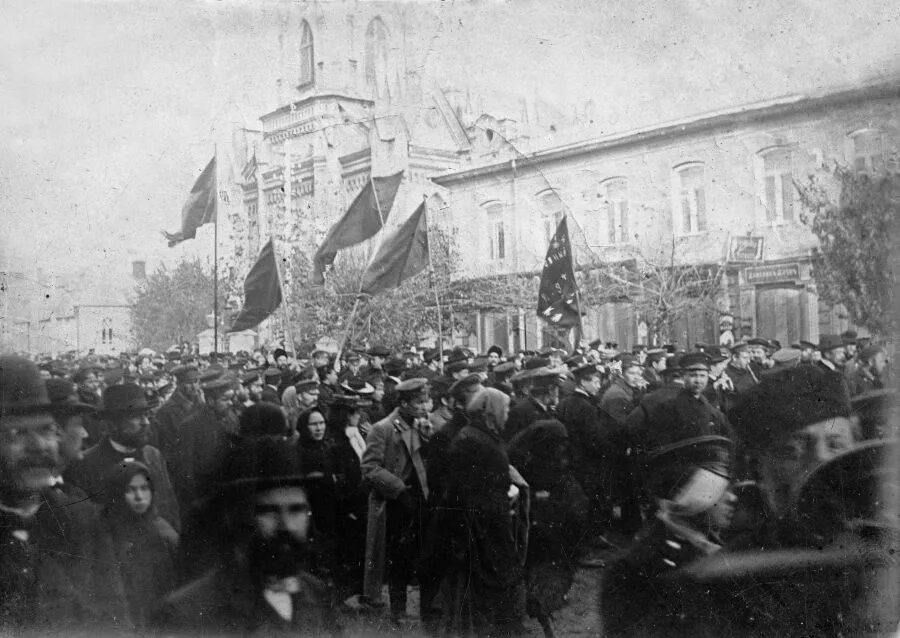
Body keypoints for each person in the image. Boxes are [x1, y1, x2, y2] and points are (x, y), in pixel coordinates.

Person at [155, 437, 341, 635]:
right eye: (269, 511)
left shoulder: (316, 594)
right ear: (238, 519)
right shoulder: (187, 613)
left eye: (296, 510)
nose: (286, 526)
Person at [0, 355, 130, 632]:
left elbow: (115, 624)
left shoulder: (84, 521)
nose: (39, 446)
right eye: (16, 434)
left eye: (47, 430)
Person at [600, 435, 738, 637]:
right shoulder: (636, 569)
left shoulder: (711, 547)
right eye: (721, 490)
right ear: (694, 497)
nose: (732, 498)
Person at [441, 387, 528, 637]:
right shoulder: (477, 440)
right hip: (482, 529)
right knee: (494, 587)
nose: (509, 414)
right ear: (493, 411)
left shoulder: (477, 435)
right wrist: (506, 493)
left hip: (483, 524)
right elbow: (471, 489)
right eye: (506, 408)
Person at [360, 378, 433, 625]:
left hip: (420, 498)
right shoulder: (384, 428)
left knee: (422, 554)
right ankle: (398, 611)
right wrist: (399, 489)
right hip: (396, 502)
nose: (424, 407)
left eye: (426, 401)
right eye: (418, 402)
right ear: (403, 403)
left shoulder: (421, 425)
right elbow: (369, 467)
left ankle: (426, 608)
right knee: (399, 559)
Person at [508, 419, 587, 637]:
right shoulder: (546, 461)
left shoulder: (531, 454)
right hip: (544, 532)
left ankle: (540, 613)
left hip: (540, 529)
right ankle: (541, 613)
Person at [65, 383, 181, 532]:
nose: (145, 422)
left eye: (146, 415)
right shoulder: (86, 464)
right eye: (136, 416)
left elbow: (169, 507)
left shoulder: (153, 455)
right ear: (112, 424)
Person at [98, 460, 179, 628]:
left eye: (144, 488)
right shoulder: (104, 531)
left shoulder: (162, 530)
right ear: (116, 494)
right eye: (129, 490)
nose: (139, 497)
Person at [555, 362, 613, 549]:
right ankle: (589, 541)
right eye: (595, 381)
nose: (598, 385)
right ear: (583, 383)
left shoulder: (565, 402)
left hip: (570, 460)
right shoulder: (586, 406)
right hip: (588, 462)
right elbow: (594, 439)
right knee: (591, 500)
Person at [325, 395, 370, 602]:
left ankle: (356, 592)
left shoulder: (353, 436)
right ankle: (345, 594)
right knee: (348, 550)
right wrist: (350, 508)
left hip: (358, 501)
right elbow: (340, 480)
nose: (359, 416)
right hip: (347, 506)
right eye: (354, 412)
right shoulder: (337, 443)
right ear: (345, 416)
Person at [504, 367, 559, 441]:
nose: (557, 392)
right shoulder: (520, 411)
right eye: (556, 388)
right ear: (550, 390)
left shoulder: (548, 409)